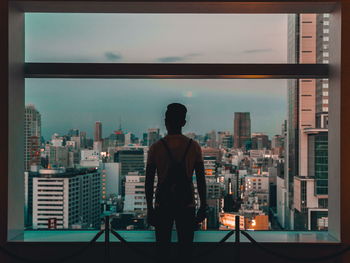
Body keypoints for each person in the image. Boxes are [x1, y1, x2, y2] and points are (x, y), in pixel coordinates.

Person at [145, 103, 207, 263]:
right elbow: (201, 179)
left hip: (163, 203)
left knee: (162, 249)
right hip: (186, 203)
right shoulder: (193, 147)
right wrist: (203, 205)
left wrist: (150, 208)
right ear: (183, 123)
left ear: (166, 122)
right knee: (186, 250)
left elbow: (149, 181)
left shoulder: (156, 148)